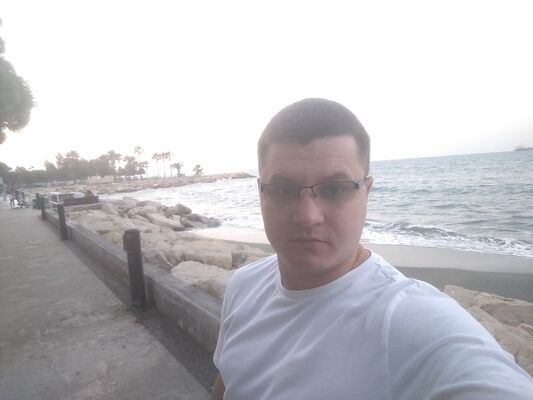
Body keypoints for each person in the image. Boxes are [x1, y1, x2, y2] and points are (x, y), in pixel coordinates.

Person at [211, 98, 532, 399]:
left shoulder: (409, 321)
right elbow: (229, 383)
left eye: (335, 189)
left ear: (366, 192)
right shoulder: (244, 285)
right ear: (261, 193)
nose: (308, 216)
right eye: (282, 189)